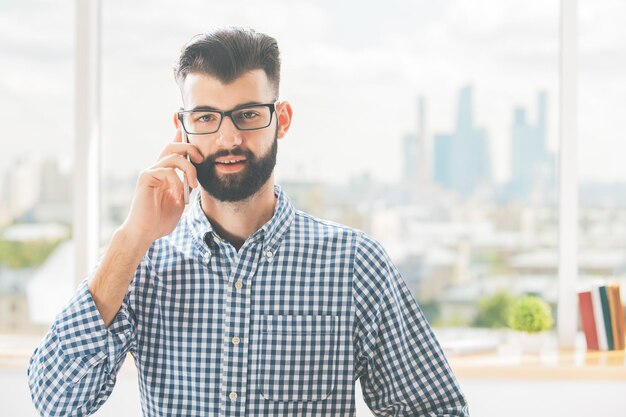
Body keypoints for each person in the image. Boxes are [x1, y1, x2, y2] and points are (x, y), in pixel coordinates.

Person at [28, 26, 469, 417]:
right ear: (181, 129)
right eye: (206, 117)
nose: (229, 138)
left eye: (248, 114)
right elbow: (56, 400)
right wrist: (132, 238)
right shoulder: (141, 264)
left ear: (282, 120)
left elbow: (436, 409)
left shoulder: (355, 263)